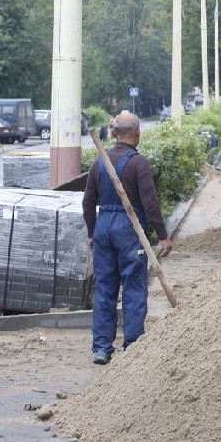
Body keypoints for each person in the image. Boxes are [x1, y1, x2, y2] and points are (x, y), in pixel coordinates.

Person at [82, 111, 172, 365]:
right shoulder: (138, 163)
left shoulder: (100, 162)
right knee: (133, 287)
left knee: (105, 289)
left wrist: (91, 233)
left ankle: (101, 348)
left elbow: (88, 202)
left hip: (104, 228)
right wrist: (163, 236)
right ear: (136, 133)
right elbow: (150, 204)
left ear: (113, 134)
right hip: (129, 229)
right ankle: (133, 344)